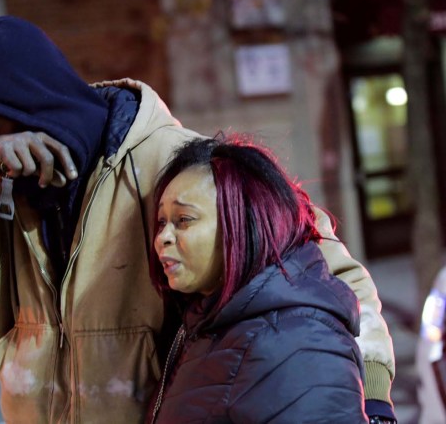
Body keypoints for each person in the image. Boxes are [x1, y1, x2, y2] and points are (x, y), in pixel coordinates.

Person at [0, 16, 396, 423]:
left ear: (36, 108)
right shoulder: (6, 195)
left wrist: (371, 400)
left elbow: (334, 281)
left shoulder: (181, 167)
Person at [148, 136, 367, 423]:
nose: (162, 238)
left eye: (184, 220)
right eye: (162, 222)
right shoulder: (208, 324)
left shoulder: (298, 342)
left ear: (242, 220)